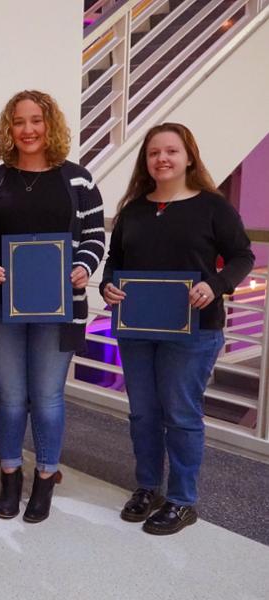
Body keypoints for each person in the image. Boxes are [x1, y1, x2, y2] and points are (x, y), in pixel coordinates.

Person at [101, 122, 253, 535]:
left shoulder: (212, 207)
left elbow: (242, 257)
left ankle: (183, 500)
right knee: (143, 414)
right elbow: (115, 261)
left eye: (171, 151)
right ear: (146, 161)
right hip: (136, 328)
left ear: (189, 157)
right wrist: (108, 284)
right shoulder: (133, 208)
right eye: (154, 153)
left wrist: (216, 285)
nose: (162, 159)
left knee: (181, 414)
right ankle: (148, 486)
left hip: (195, 330)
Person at [0, 90, 105, 523]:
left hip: (60, 307)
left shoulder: (79, 180)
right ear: (8, 128)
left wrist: (83, 268)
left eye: (36, 120)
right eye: (18, 121)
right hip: (3, 309)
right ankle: (10, 474)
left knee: (47, 398)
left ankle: (46, 477)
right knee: (11, 398)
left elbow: (94, 238)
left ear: (50, 124)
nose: (28, 130)